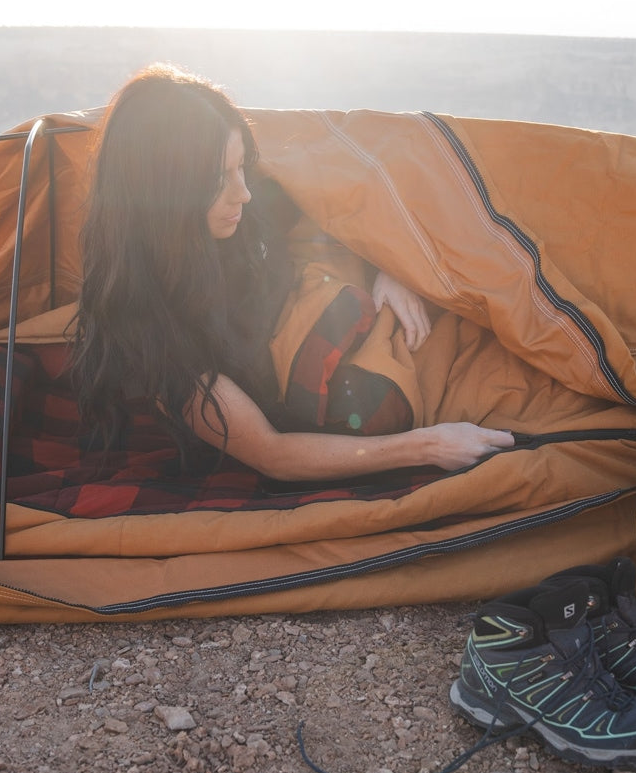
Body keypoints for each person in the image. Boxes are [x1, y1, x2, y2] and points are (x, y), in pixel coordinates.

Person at [69, 64, 513, 481]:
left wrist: (389, 264)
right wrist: (428, 446)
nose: (242, 193)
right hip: (304, 384)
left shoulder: (246, 203)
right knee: (386, 407)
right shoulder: (154, 332)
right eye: (218, 179)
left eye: (240, 166)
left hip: (343, 298)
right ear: (163, 193)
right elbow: (271, 452)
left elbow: (344, 206)